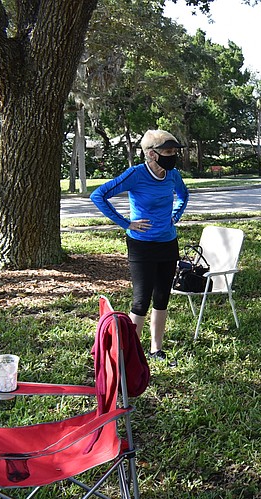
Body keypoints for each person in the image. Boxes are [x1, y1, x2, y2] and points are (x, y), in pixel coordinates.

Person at [90, 129, 189, 365]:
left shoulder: (172, 175)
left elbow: (184, 196)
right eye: (168, 151)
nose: (173, 155)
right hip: (141, 245)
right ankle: (130, 357)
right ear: (152, 154)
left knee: (162, 297)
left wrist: (175, 216)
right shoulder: (136, 174)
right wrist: (127, 223)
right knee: (141, 300)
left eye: (174, 151)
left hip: (168, 243)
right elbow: (98, 195)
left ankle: (157, 350)